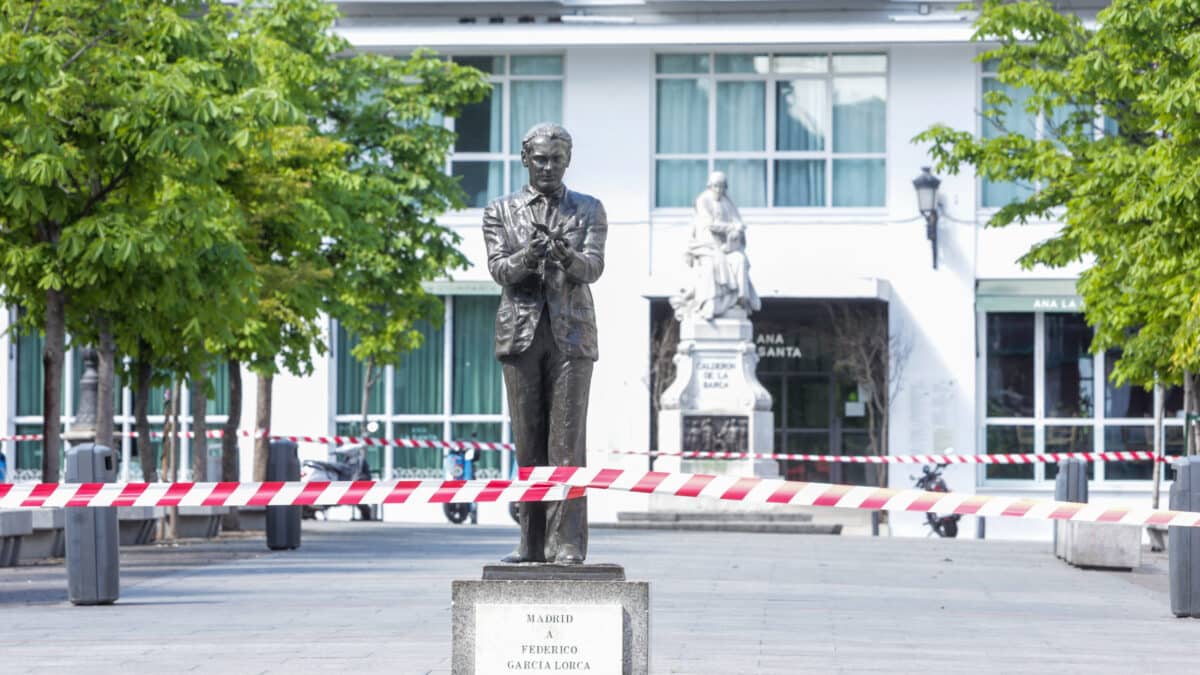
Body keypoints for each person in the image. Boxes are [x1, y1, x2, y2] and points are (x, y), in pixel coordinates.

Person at [481, 123, 607, 565]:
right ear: (525, 159)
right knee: (528, 441)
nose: (548, 166)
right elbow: (500, 270)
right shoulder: (500, 211)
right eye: (540, 158)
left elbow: (593, 268)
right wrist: (530, 256)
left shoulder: (589, 209)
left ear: (567, 160)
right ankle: (531, 541)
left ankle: (569, 541)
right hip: (520, 333)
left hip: (572, 337)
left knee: (567, 443)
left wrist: (565, 255)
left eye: (556, 158)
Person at [672, 171, 761, 320]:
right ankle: (709, 303)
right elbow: (711, 224)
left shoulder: (727, 202)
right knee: (712, 264)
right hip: (705, 244)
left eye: (722, 187)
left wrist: (737, 229)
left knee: (740, 259)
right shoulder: (703, 200)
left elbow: (737, 220)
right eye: (715, 186)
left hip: (726, 246)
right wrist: (730, 227)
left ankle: (740, 300)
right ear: (710, 186)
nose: (719, 190)